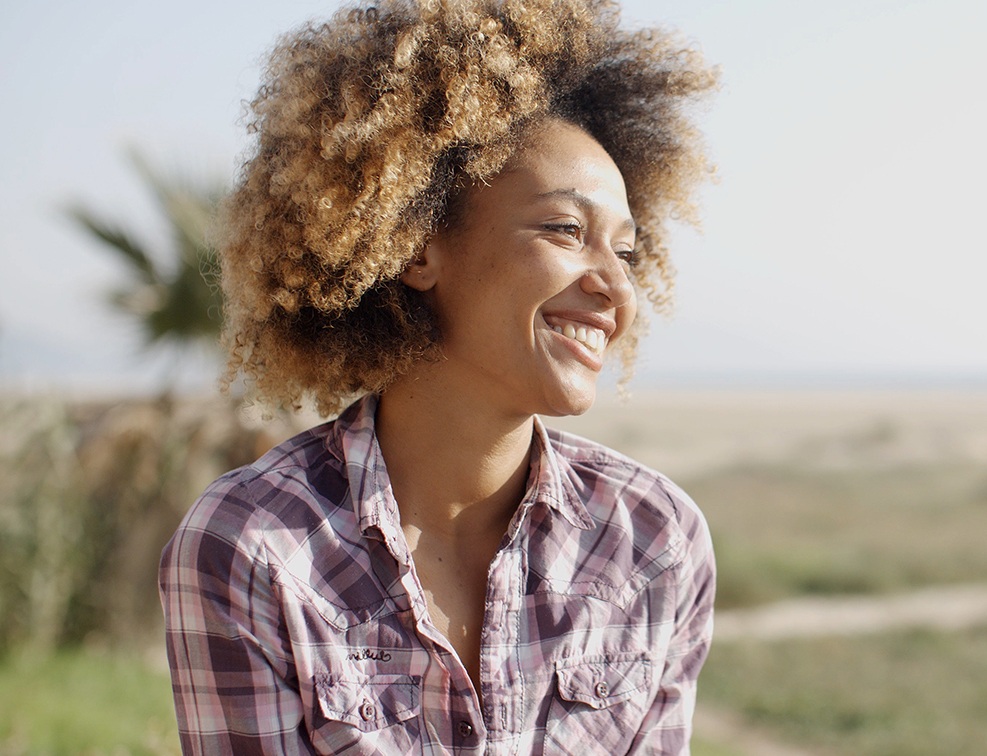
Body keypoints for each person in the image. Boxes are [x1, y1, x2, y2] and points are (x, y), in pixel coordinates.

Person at [159, 0, 717, 752]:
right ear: (417, 248)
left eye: (624, 252)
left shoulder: (652, 539)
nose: (616, 290)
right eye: (565, 230)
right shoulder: (255, 548)